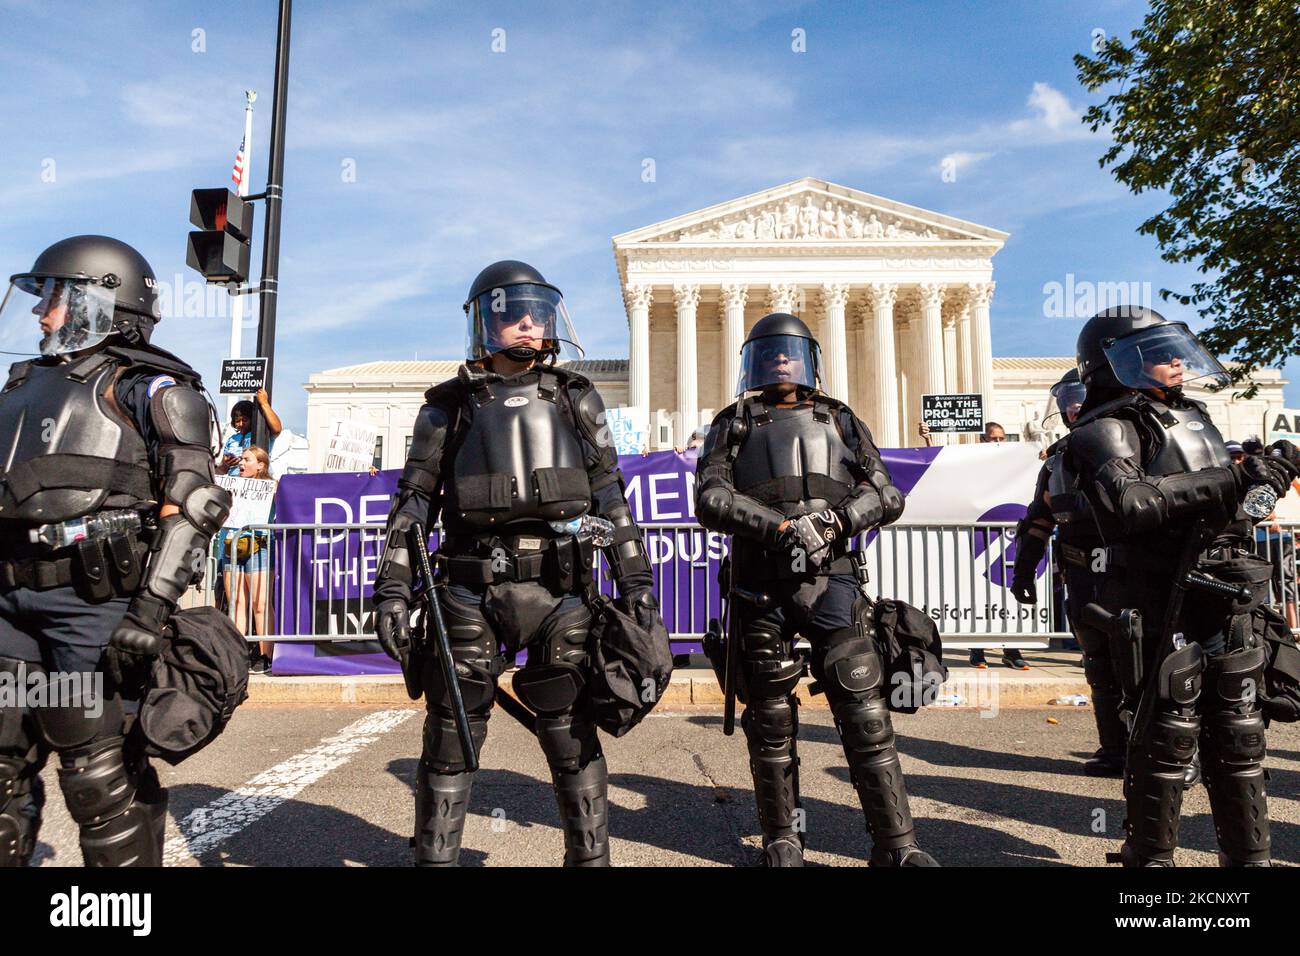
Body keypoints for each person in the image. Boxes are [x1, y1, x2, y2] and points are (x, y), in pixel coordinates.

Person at [372, 260, 660, 866]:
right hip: (470, 590)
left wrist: (636, 582)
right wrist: (392, 591)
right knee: (452, 730)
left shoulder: (577, 398)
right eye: (512, 314)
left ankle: (590, 861)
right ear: (484, 324)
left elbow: (611, 498)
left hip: (563, 592)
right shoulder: (446, 409)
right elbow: (415, 503)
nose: (529, 324)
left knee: (570, 732)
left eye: (538, 313)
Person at [0, 236, 230, 866]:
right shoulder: (20, 387)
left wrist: (150, 611)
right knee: (2, 761)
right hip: (10, 600)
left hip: (95, 602)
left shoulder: (153, 387)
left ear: (97, 301)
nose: (38, 312)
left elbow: (195, 506)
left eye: (51, 296)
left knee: (100, 775)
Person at [1060, 305, 1300, 866]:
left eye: (1175, 349)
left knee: (1240, 736)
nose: (1175, 361)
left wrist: (1264, 478)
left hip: (1225, 591)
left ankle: (1249, 862)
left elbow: (1230, 503)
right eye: (1157, 353)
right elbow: (1134, 504)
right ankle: (1150, 864)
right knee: (1167, 736)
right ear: (1117, 364)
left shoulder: (1194, 416)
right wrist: (1234, 476)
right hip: (1158, 598)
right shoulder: (1103, 429)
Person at [694, 312, 936, 867]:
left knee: (865, 708)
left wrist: (833, 523)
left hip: (836, 580)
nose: (781, 360)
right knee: (771, 715)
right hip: (759, 583)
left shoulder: (841, 418)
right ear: (753, 362)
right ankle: (784, 838)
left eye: (790, 351)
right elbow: (710, 498)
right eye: (771, 352)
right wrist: (778, 529)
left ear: (809, 360)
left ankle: (897, 846)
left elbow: (886, 493)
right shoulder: (733, 422)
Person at [1010, 368, 1128, 775]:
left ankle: (1172, 753)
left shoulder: (1135, 441)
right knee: (1099, 665)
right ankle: (1115, 750)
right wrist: (1024, 571)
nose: (1072, 407)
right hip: (1083, 576)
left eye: (1079, 398)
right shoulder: (1059, 459)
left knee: (1148, 663)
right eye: (1065, 402)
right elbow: (1039, 518)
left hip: (1135, 574)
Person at [220, 446, 276, 673]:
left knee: (259, 604)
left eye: (247, 459)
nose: (242, 463)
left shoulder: (272, 486)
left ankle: (265, 655)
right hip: (232, 545)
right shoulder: (230, 481)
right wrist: (223, 469)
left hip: (260, 546)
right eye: (241, 459)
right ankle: (238, 654)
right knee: (236, 603)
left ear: (260, 465)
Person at [219, 388, 281, 477]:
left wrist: (264, 403)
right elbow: (222, 468)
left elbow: (277, 429)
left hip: (256, 484)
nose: (241, 424)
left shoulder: (263, 433)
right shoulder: (232, 439)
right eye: (237, 421)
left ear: (253, 419)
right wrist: (226, 463)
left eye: (245, 420)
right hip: (234, 485)